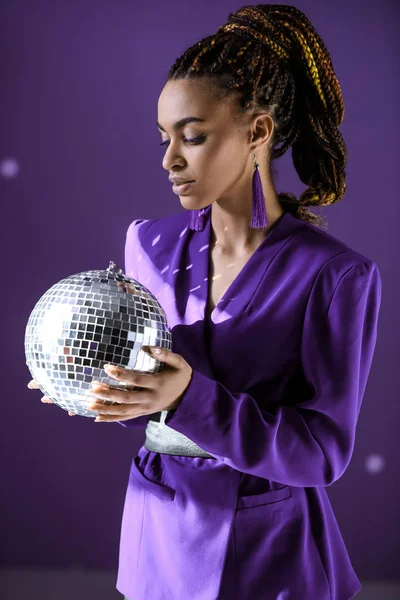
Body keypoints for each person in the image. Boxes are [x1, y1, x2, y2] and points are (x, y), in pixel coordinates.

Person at [29, 4, 382, 599]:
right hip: (158, 527)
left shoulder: (336, 275)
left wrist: (187, 397)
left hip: (266, 548)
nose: (169, 159)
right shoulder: (146, 243)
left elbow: (322, 453)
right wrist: (97, 383)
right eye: (165, 138)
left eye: (192, 136)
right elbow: (152, 385)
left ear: (259, 132)